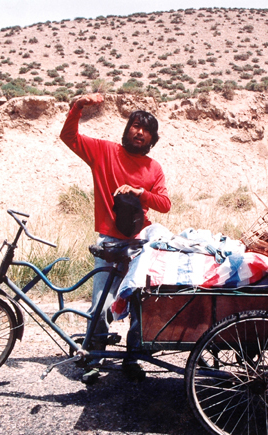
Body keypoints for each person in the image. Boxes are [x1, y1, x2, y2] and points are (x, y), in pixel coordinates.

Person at [60, 93, 171, 382]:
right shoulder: (103, 151)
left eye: (146, 130)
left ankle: (133, 358)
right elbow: (68, 136)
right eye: (135, 125)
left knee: (139, 304)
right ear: (127, 129)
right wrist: (78, 106)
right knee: (99, 306)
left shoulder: (153, 168)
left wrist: (139, 192)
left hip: (139, 244)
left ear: (152, 138)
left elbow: (165, 204)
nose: (139, 132)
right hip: (108, 242)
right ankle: (95, 358)